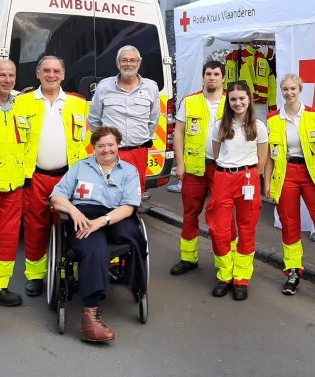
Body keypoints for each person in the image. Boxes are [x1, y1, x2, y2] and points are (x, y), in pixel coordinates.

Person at [50, 126, 146, 342]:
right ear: (93, 147)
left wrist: (101, 222)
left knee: (134, 236)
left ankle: (135, 281)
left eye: (111, 144)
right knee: (95, 249)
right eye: (101, 145)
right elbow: (56, 196)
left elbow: (129, 206)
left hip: (115, 216)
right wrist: (74, 211)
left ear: (118, 145)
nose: (106, 149)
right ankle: (90, 318)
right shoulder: (80, 167)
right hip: (84, 214)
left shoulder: (129, 171)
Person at [17, 56, 88, 298]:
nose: (51, 74)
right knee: (35, 226)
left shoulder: (79, 103)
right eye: (46, 70)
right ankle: (35, 275)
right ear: (38, 74)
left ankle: (71, 272)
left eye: (56, 71)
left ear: (63, 74)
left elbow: (87, 141)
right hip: (35, 177)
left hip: (68, 177)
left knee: (71, 226)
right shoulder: (22, 102)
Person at [264, 74, 315, 297]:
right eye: (285, 89)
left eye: (293, 89)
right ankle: (293, 272)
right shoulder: (272, 119)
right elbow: (269, 156)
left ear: (300, 89)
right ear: (281, 91)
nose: (289, 93)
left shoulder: (314, 115)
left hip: (312, 173)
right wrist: (267, 182)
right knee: (289, 225)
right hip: (286, 174)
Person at [169, 60, 236, 276]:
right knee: (190, 213)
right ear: (203, 77)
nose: (212, 77)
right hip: (194, 168)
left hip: (223, 169)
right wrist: (180, 163)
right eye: (208, 74)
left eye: (216, 74)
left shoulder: (232, 102)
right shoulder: (190, 102)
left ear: (224, 78)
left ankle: (229, 262)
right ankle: (188, 258)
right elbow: (179, 133)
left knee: (223, 217)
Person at [205, 81, 268, 301]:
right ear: (228, 101)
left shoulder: (259, 127)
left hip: (248, 178)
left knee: (247, 229)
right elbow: (216, 154)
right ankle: (225, 275)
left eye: (242, 98)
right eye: (233, 99)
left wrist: (249, 175)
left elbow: (262, 158)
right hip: (223, 178)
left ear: (249, 99)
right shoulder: (219, 125)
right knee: (219, 229)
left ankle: (241, 277)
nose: (238, 103)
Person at [89, 45, 160, 196]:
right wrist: (105, 143)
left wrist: (140, 138)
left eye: (132, 60)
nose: (128, 64)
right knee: (108, 192)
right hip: (110, 153)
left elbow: (153, 119)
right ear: (118, 63)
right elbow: (94, 120)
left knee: (135, 192)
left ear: (139, 63)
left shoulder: (151, 88)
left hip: (138, 152)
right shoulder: (104, 87)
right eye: (124, 60)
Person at [0, 60, 28, 307]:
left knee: (8, 238)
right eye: (2, 75)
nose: (7, 80)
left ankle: (1, 286)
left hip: (13, 186)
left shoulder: (21, 106)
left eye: (11, 75)